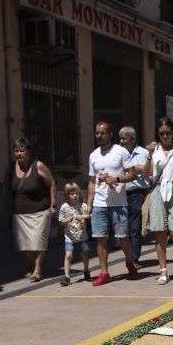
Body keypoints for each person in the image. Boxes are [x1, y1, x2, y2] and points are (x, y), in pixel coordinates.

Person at [85, 120, 138, 285]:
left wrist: (116, 178)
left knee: (122, 237)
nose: (99, 136)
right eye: (97, 133)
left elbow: (132, 174)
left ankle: (129, 262)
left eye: (103, 133)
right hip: (100, 203)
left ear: (110, 134)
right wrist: (89, 203)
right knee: (101, 238)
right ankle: (104, 272)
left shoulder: (121, 152)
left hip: (118, 203)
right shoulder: (93, 155)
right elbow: (92, 181)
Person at [143, 116, 173, 284]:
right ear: (158, 134)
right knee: (159, 233)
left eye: (168, 133)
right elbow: (145, 174)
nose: (165, 136)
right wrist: (149, 155)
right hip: (157, 191)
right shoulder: (154, 150)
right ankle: (163, 270)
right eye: (162, 133)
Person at [4, 137, 54, 281]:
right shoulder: (11, 167)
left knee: (38, 240)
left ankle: (37, 270)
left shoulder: (38, 166)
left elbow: (52, 184)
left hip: (40, 211)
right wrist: (2, 204)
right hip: (19, 213)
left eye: (22, 151)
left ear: (29, 152)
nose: (19, 154)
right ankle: (33, 267)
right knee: (24, 244)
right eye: (16, 151)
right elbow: (5, 187)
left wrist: (53, 205)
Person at [117, 126, 151, 264]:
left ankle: (134, 258)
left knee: (135, 226)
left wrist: (140, 169)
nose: (122, 141)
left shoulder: (143, 153)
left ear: (132, 138)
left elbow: (151, 171)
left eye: (124, 138)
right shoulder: (117, 153)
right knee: (123, 227)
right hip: (120, 193)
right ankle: (128, 255)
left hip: (137, 193)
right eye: (120, 138)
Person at [58, 182, 92, 285]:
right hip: (70, 237)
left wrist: (82, 216)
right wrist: (66, 220)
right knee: (68, 255)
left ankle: (86, 270)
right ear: (67, 195)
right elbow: (61, 221)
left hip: (82, 235)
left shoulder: (83, 205)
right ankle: (67, 276)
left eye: (76, 193)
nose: (75, 196)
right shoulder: (64, 207)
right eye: (72, 194)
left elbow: (88, 215)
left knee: (85, 254)